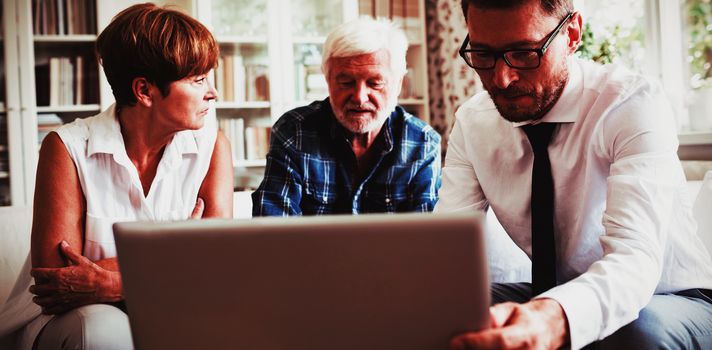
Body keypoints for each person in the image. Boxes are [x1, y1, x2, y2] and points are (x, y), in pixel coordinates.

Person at [437, 0, 712, 349]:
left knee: (638, 335)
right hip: (554, 290)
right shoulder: (472, 122)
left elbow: (635, 261)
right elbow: (447, 251)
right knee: (445, 311)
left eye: (523, 53)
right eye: (483, 54)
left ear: (571, 34)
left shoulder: (630, 103)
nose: (501, 79)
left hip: (669, 295)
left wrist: (553, 318)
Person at [0, 3, 233, 349]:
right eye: (199, 80)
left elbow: (219, 266)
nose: (213, 92)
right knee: (102, 330)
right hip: (70, 317)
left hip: (171, 306)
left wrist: (111, 283)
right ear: (144, 91)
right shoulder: (67, 147)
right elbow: (56, 281)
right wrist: (178, 253)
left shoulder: (212, 146)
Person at [252, 17, 441, 216]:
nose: (359, 98)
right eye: (346, 82)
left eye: (375, 83)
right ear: (327, 80)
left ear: (398, 84)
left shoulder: (422, 143)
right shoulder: (294, 132)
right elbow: (273, 230)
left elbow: (426, 239)